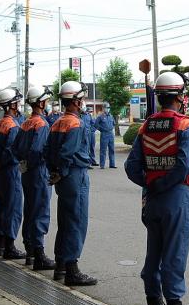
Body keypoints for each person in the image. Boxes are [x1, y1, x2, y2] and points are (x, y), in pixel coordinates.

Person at [124, 72, 189, 305]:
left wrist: (150, 184)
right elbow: (184, 164)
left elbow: (131, 166)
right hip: (174, 197)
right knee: (174, 254)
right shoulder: (185, 125)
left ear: (159, 97)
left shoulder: (145, 126)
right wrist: (164, 185)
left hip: (151, 199)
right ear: (181, 97)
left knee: (154, 254)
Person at [45, 81, 97, 286]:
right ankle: (72, 270)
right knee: (76, 221)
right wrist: (63, 170)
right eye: (82, 99)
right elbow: (69, 151)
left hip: (63, 177)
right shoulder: (76, 123)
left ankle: (60, 265)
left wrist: (55, 171)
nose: (83, 102)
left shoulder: (57, 122)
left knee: (65, 220)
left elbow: (48, 150)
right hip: (75, 175)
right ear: (75, 101)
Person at [13, 86, 56, 271]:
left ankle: (30, 251)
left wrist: (24, 163)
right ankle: (39, 254)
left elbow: (14, 148)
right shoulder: (42, 124)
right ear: (41, 102)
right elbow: (39, 150)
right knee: (40, 211)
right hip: (39, 171)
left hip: (26, 172)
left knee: (29, 209)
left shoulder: (24, 123)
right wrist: (34, 162)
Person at [0, 88, 26, 259]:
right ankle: (9, 246)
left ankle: (2, 244)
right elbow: (11, 151)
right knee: (13, 208)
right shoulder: (13, 126)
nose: (19, 105)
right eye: (17, 102)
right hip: (10, 170)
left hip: (0, 171)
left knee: (3, 206)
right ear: (12, 105)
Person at [95, 102, 116, 169]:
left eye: (109, 108)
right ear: (103, 108)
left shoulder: (111, 116)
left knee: (112, 150)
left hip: (111, 134)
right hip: (104, 134)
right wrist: (101, 129)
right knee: (103, 150)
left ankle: (112, 164)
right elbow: (96, 125)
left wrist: (111, 128)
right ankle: (102, 165)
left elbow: (114, 123)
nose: (108, 109)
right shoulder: (100, 116)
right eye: (107, 107)